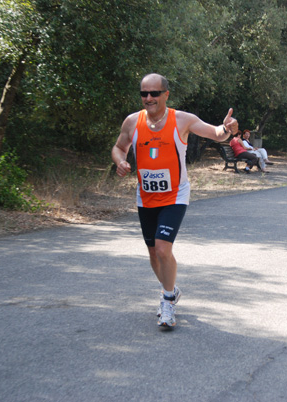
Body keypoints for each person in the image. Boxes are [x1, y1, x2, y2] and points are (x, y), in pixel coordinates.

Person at [111, 73, 238, 330]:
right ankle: (171, 288)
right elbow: (119, 147)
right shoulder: (132, 122)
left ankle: (167, 300)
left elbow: (215, 133)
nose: (148, 98)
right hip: (145, 197)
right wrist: (120, 161)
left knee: (162, 249)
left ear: (166, 95)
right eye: (144, 93)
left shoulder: (182, 119)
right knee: (152, 254)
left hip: (175, 195)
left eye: (154, 93)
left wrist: (226, 128)